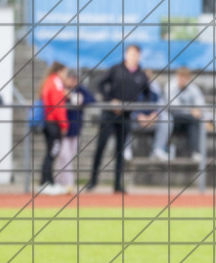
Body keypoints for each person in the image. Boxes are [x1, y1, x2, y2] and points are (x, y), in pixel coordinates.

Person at [86, 44, 151, 193]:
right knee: (100, 147)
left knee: (120, 151)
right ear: (126, 54)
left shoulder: (141, 75)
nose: (133, 56)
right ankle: (93, 181)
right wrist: (110, 101)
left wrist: (136, 107)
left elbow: (148, 95)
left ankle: (117, 185)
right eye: (130, 53)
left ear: (139, 56)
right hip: (109, 114)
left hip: (126, 116)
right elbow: (99, 84)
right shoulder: (116, 69)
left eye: (135, 54)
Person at [152, 67, 206, 161]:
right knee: (187, 119)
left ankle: (195, 152)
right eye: (181, 77)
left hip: (187, 119)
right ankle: (162, 149)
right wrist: (191, 111)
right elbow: (175, 107)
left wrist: (197, 111)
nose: (183, 80)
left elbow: (200, 104)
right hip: (173, 117)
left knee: (195, 121)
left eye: (185, 77)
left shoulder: (193, 88)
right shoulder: (170, 86)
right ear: (177, 76)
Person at [54, 70, 95, 191]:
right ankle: (68, 184)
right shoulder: (60, 88)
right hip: (62, 129)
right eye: (70, 78)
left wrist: (74, 97)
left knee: (69, 157)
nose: (73, 81)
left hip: (76, 130)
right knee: (64, 157)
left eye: (75, 79)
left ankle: (59, 182)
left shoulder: (80, 89)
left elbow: (91, 99)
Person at [39, 62, 70, 195]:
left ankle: (47, 181)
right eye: (65, 72)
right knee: (52, 153)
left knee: (50, 153)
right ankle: (46, 183)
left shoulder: (48, 81)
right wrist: (64, 124)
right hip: (54, 123)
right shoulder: (56, 83)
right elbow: (59, 106)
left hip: (48, 122)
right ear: (60, 71)